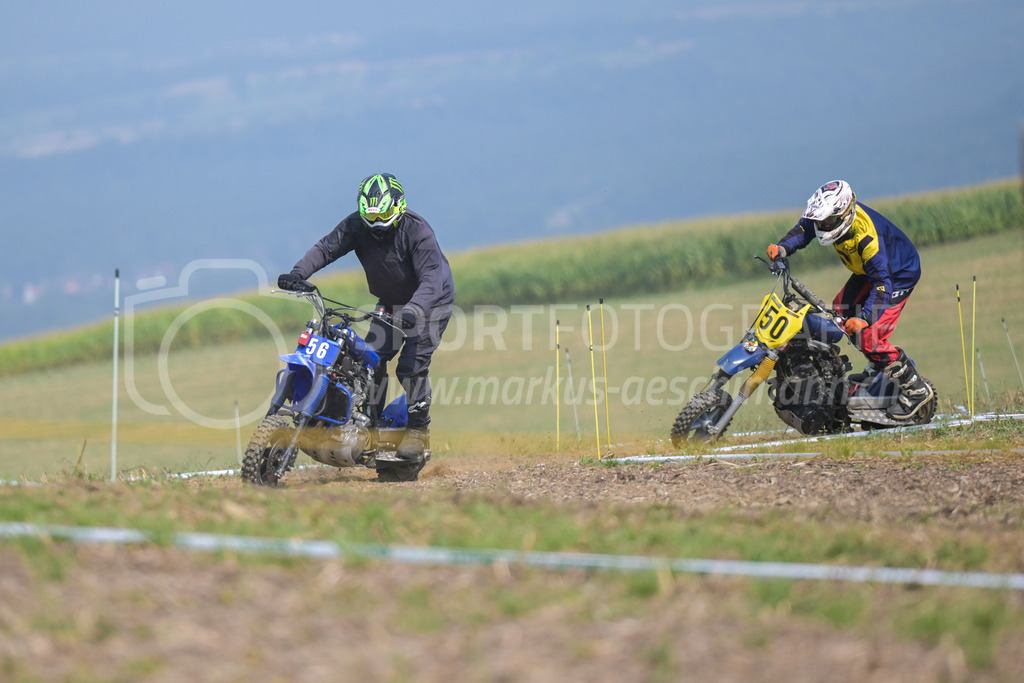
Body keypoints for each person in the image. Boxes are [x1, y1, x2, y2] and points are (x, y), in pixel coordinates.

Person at [278, 173, 455, 461]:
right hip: (391, 304)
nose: (376, 222)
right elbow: (327, 248)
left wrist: (414, 310)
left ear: (398, 207)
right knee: (370, 360)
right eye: (370, 215)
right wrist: (298, 274)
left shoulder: (418, 231)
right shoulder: (356, 226)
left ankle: (417, 434)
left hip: (429, 305)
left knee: (410, 368)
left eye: (384, 213)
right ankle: (370, 428)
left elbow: (432, 279)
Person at [766, 180, 932, 420]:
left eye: (826, 222)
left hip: (897, 275)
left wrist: (864, 319)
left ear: (844, 214)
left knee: (866, 335)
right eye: (820, 221)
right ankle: (878, 370)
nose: (822, 226)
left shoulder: (866, 237)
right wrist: (783, 248)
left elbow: (883, 286)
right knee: (840, 312)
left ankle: (915, 389)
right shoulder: (829, 219)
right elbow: (804, 229)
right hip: (870, 273)